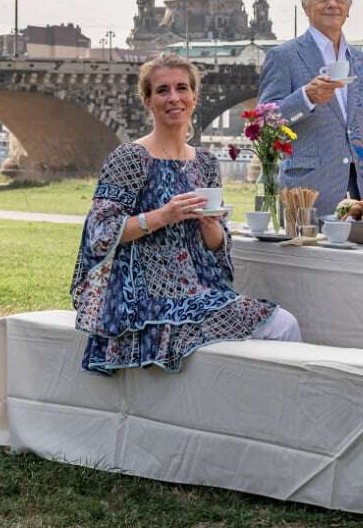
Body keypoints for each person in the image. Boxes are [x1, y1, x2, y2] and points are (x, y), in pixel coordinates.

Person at [71, 54, 300, 375]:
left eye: (182, 88)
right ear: (148, 101)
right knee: (281, 325)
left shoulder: (206, 163)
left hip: (202, 289)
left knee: (283, 324)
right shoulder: (130, 158)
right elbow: (100, 233)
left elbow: (217, 245)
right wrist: (163, 215)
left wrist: (211, 226)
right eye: (163, 90)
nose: (174, 98)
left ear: (194, 97)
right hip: (146, 298)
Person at [258, 0, 363, 218]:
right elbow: (264, 125)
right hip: (306, 196)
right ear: (306, 7)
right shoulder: (283, 57)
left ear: (349, 7)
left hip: (362, 200)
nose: (332, 4)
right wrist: (306, 97)